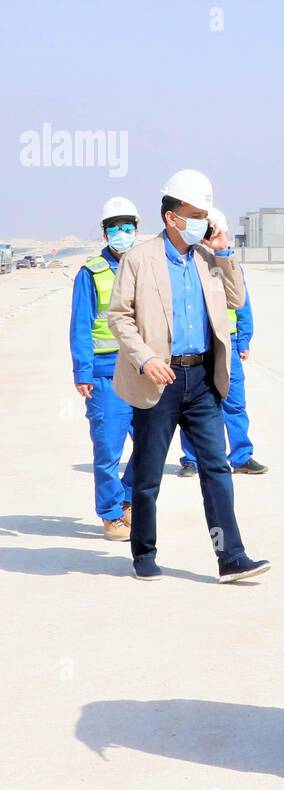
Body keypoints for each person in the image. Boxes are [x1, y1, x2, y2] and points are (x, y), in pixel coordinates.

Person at [107, 169, 269, 584]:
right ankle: (143, 552)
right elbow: (119, 316)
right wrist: (144, 359)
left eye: (205, 215)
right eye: (194, 214)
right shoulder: (140, 259)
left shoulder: (210, 259)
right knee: (148, 475)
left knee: (216, 468)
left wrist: (224, 249)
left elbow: (237, 298)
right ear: (171, 217)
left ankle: (230, 556)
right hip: (158, 380)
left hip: (201, 380)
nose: (201, 221)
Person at [177, 207, 267, 478]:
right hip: (201, 348)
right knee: (192, 407)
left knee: (235, 404)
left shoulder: (228, 265)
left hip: (227, 345)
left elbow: (242, 305)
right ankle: (191, 459)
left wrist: (244, 340)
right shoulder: (187, 265)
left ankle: (241, 456)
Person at [69, 196, 140, 541]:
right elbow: (81, 325)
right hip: (106, 374)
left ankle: (126, 497)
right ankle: (111, 515)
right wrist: (82, 372)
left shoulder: (146, 267)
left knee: (150, 446)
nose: (121, 232)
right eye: (114, 226)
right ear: (104, 232)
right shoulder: (91, 273)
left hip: (144, 372)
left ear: (136, 229)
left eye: (127, 226)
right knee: (108, 450)